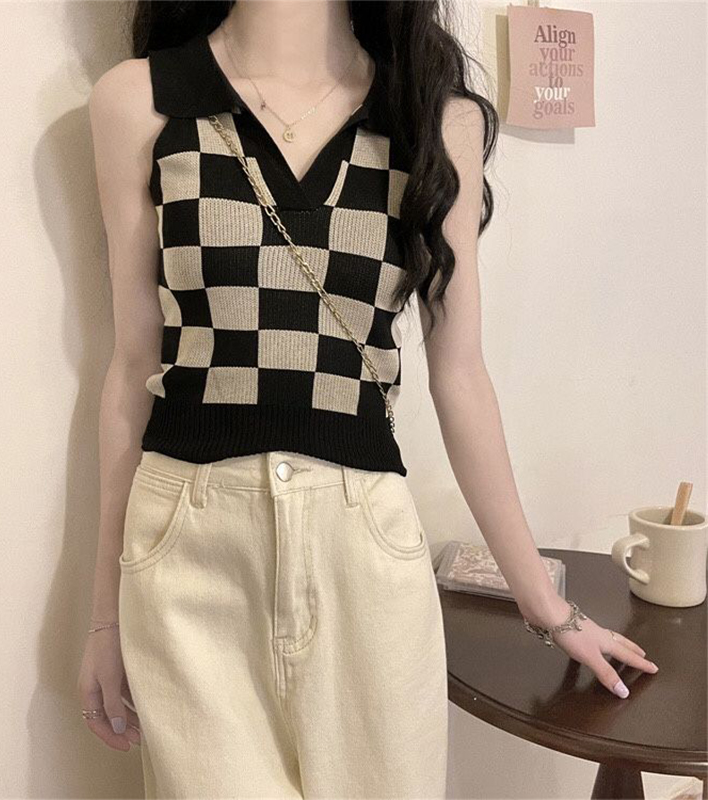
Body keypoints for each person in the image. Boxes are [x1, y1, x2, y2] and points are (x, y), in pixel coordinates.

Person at [78, 1, 659, 797]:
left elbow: (461, 376)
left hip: (363, 554)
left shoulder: (432, 119)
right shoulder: (140, 102)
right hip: (188, 557)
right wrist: (103, 618)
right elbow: (131, 368)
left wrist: (548, 606)